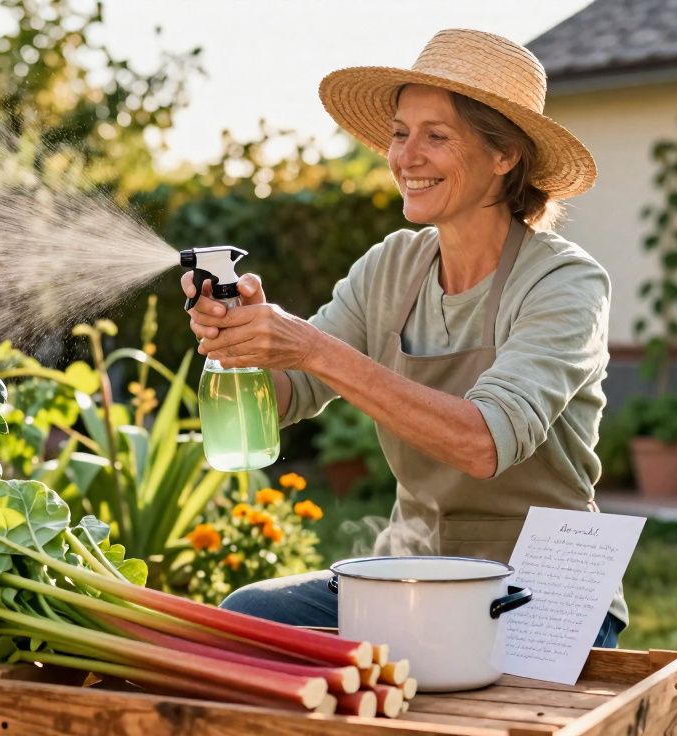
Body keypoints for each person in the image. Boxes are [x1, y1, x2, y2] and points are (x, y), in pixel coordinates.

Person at [181, 29, 626, 648]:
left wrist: (311, 346)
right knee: (247, 618)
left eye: (436, 136)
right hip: (413, 571)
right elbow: (289, 396)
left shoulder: (564, 282)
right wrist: (247, 344)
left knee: (470, 686)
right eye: (399, 133)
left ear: (504, 155)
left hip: (539, 585)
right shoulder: (391, 265)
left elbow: (483, 444)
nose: (405, 157)